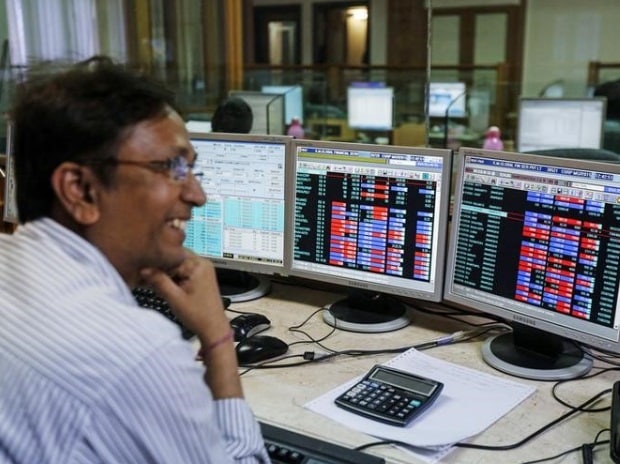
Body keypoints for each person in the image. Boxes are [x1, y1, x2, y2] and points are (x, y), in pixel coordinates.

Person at [0, 57, 269, 463]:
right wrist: (217, 338)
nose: (198, 195)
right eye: (171, 167)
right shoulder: (138, 356)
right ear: (81, 191)